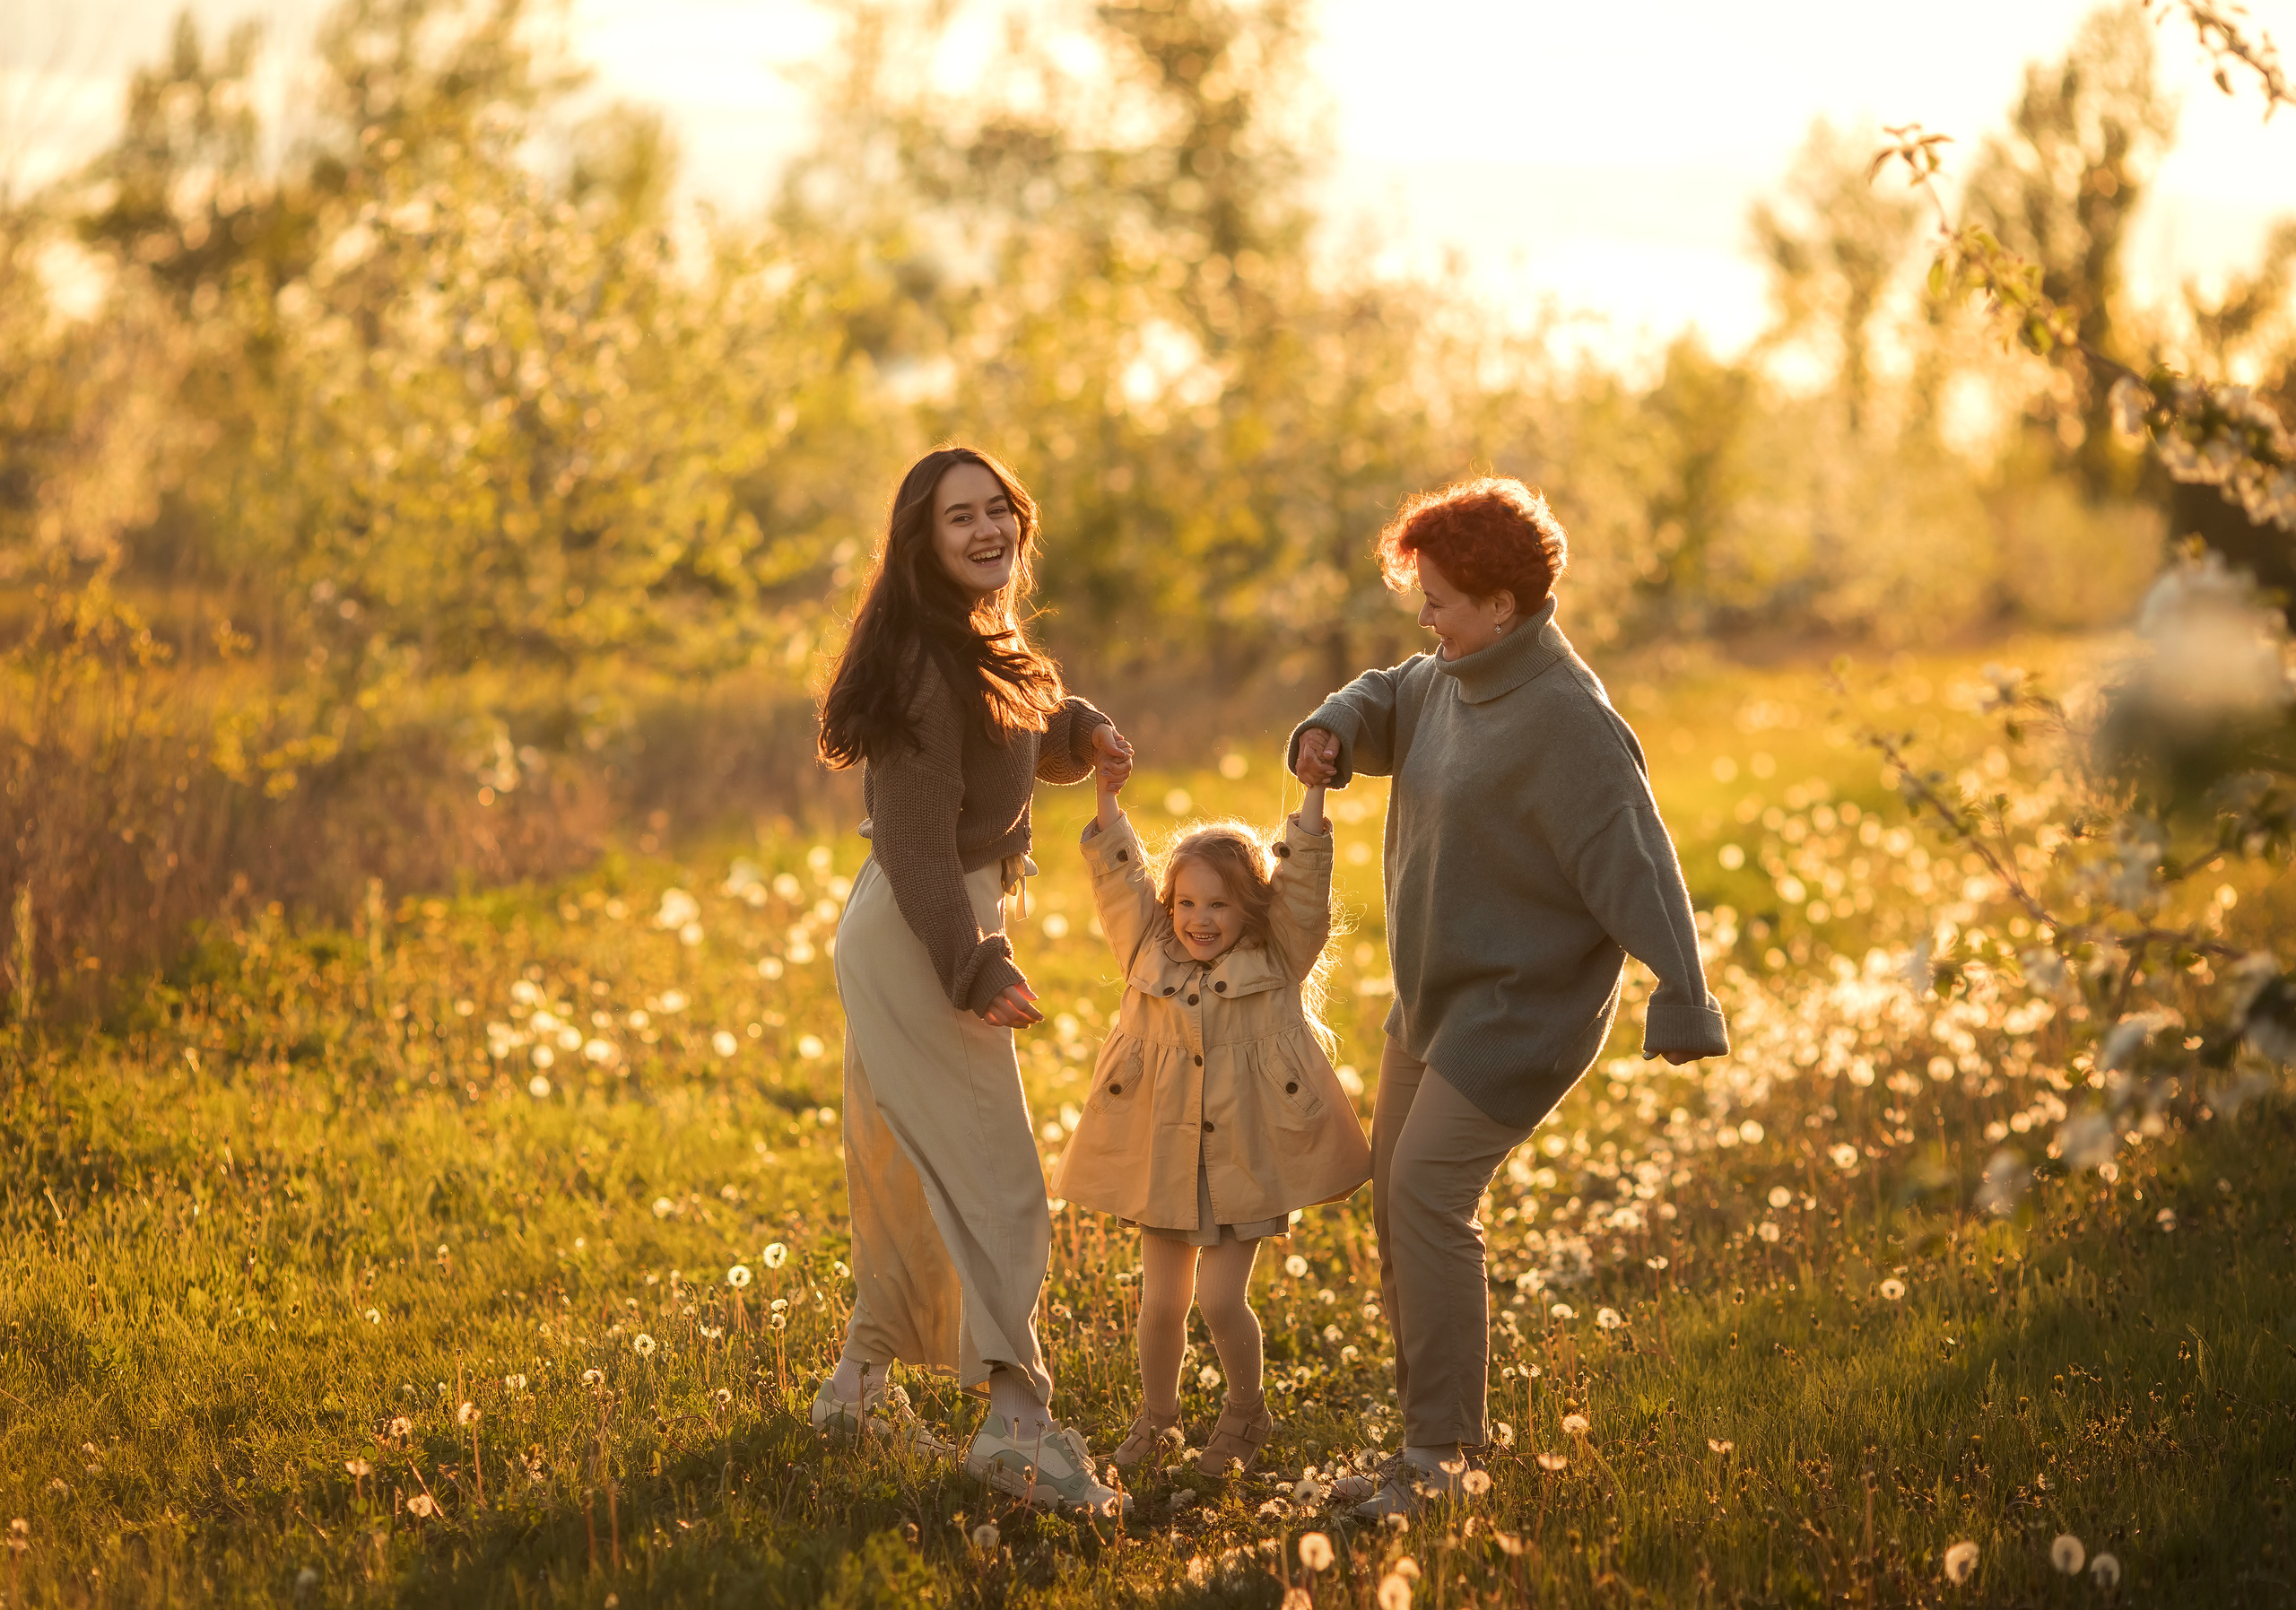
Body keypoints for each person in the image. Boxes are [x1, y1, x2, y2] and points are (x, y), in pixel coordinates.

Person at [1289, 475, 1728, 1519]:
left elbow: (1638, 864)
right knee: (1394, 1206)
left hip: (1520, 1012)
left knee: (1427, 1198)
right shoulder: (1449, 673)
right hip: (1433, 997)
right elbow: (1387, 693)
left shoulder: (1571, 724)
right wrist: (1333, 728)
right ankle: (1419, 1444)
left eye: (1439, 600)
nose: (1425, 619)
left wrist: (1683, 994)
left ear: (1501, 605)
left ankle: (1444, 1459)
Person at [814, 444, 1132, 1514]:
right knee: (996, 1174)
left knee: (911, 1170)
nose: (988, 528)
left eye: (998, 508)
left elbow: (1020, 734)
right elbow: (913, 837)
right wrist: (973, 959)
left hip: (923, 916)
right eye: (961, 517)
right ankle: (1015, 1426)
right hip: (924, 925)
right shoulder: (924, 657)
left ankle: (857, 1386)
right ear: (924, 541)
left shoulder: (979, 637)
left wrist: (1079, 726)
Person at [1052, 752, 1370, 1481]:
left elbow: (1302, 890)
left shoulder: (1278, 955)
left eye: (1220, 905)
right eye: (1187, 903)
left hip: (1243, 1156)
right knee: (1162, 1303)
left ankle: (1246, 1412)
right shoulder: (1146, 947)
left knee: (1222, 1301)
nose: (1200, 919)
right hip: (1164, 1154)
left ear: (1250, 909)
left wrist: (1313, 795)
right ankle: (1158, 1421)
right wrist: (1107, 798)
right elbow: (1120, 882)